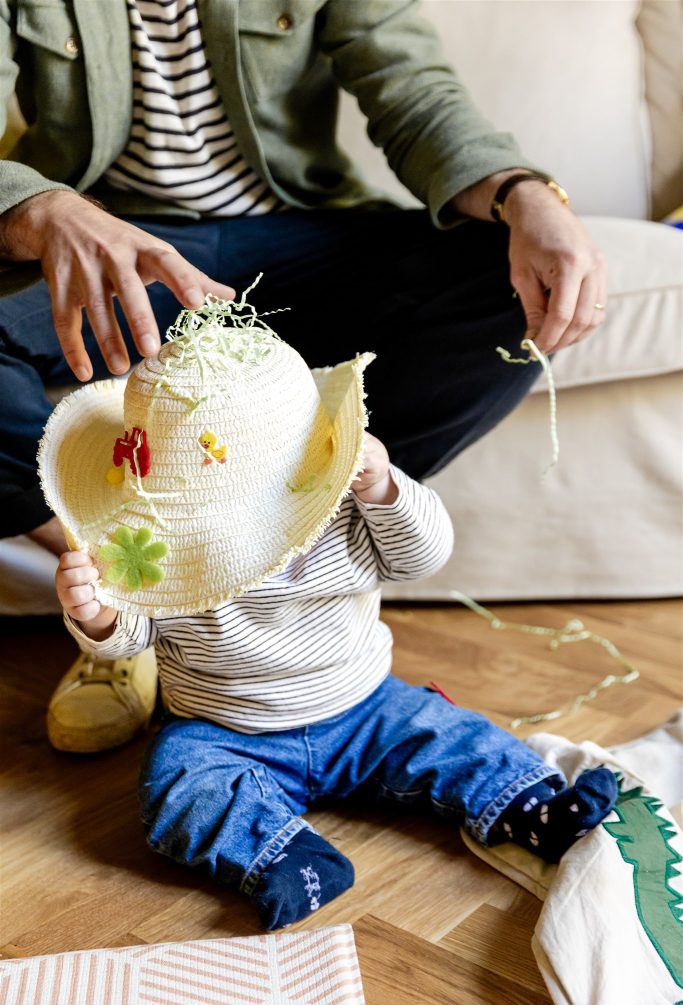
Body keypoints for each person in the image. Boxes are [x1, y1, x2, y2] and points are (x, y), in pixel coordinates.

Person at [0, 0, 607, 751]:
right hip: (117, 244)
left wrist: (524, 194)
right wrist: (41, 208)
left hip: (299, 235)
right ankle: (132, 593)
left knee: (502, 277)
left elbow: (413, 90)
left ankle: (289, 559)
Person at [46, 300, 617, 929]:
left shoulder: (344, 505)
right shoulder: (154, 535)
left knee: (446, 733)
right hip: (229, 734)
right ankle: (286, 858)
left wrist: (385, 489)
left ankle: (535, 807)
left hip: (365, 708)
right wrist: (97, 615)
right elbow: (134, 635)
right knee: (178, 782)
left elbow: (423, 555)